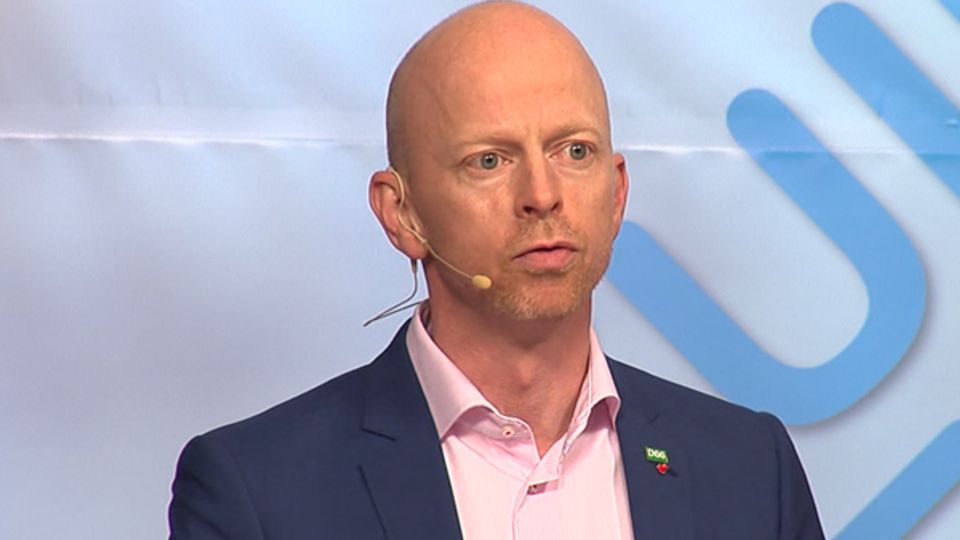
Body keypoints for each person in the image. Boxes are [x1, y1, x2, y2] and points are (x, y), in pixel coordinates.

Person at [168, 2, 825, 539]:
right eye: (489, 160)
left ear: (617, 193)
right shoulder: (258, 492)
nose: (543, 194)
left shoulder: (749, 469)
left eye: (575, 151)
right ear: (401, 214)